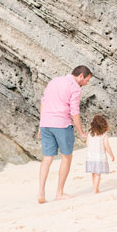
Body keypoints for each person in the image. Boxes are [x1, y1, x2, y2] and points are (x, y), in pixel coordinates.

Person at [36, 65, 91, 204]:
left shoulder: (54, 81)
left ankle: (41, 192)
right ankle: (59, 193)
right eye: (87, 80)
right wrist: (81, 132)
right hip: (61, 124)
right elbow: (74, 112)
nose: (87, 83)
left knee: (47, 158)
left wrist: (41, 124)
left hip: (46, 123)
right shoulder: (75, 88)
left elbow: (43, 102)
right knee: (66, 157)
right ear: (81, 76)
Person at [84, 114, 116, 193]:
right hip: (99, 157)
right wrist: (111, 155)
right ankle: (95, 189)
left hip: (91, 157)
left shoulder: (90, 133)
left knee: (93, 173)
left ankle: (95, 188)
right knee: (98, 174)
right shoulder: (104, 134)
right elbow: (107, 146)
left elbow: (87, 144)